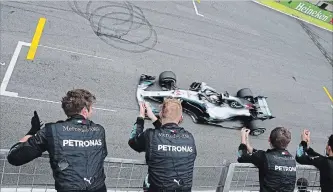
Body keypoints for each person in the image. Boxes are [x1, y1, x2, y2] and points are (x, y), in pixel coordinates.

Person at [7, 89, 108, 192]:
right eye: (91, 108)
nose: (93, 111)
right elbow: (101, 155)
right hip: (98, 188)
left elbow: (14, 157)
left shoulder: (51, 130)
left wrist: (32, 131)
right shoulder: (99, 130)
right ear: (84, 111)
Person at [128, 98, 197, 192]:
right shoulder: (189, 138)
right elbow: (168, 135)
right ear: (181, 118)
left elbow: (133, 142)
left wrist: (141, 117)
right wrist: (153, 117)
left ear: (160, 114)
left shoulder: (151, 135)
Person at [237, 127, 296, 192]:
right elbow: (259, 155)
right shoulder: (291, 159)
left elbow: (241, 156)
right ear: (287, 143)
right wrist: (247, 143)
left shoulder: (264, 157)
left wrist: (243, 139)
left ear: (269, 139)